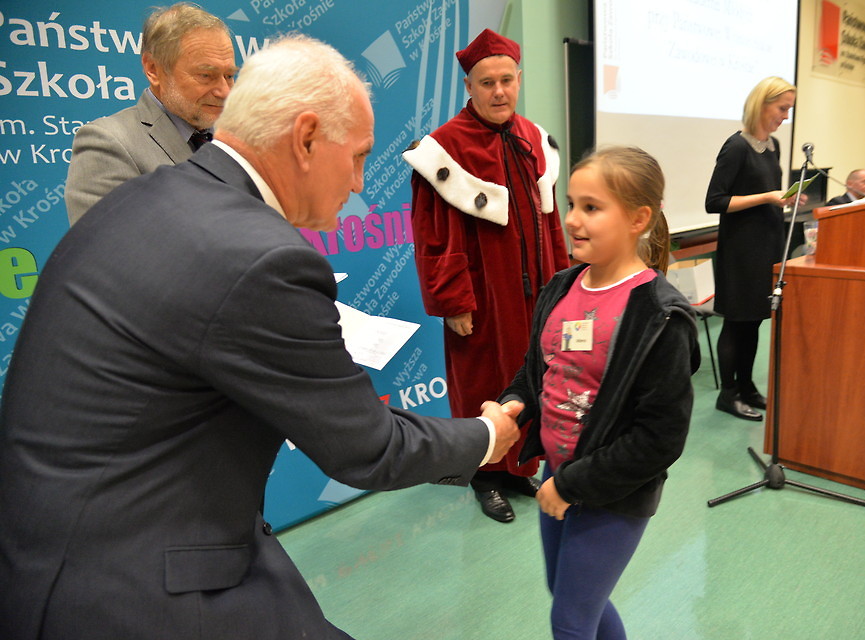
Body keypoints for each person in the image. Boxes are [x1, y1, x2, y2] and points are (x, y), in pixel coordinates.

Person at [0, 35, 522, 640]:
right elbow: (370, 448)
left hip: (68, 546)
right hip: (130, 588)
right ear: (305, 138)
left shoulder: (146, 195)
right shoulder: (264, 257)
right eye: (357, 157)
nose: (359, 183)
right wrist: (489, 434)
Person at [499, 146, 699, 639]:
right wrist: (512, 405)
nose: (571, 219)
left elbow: (659, 439)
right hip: (557, 471)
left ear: (638, 219)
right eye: (571, 204)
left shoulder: (660, 316)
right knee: (568, 595)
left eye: (591, 207)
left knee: (571, 621)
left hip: (612, 491)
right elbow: (538, 371)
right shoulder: (561, 287)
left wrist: (571, 486)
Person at [403, 29, 569, 523]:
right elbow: (434, 236)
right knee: (483, 379)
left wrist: (563, 287)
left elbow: (551, 222)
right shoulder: (445, 148)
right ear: (469, 87)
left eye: (506, 80)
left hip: (536, 291)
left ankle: (519, 467)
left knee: (532, 374)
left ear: (519, 79)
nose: (499, 92)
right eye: (486, 83)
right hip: (482, 295)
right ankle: (485, 476)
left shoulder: (533, 138)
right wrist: (453, 300)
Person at [64, 2, 237, 224]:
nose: (224, 91)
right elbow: (109, 244)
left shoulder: (237, 139)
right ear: (153, 69)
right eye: (206, 75)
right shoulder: (107, 143)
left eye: (229, 76)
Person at [705, 76, 803, 421]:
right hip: (740, 250)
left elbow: (770, 194)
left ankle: (747, 388)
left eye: (789, 110)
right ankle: (728, 394)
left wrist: (786, 198)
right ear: (762, 104)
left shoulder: (773, 145)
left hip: (767, 246)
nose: (785, 117)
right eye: (782, 108)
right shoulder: (736, 147)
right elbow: (714, 201)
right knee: (736, 322)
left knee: (754, 321)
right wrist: (767, 197)